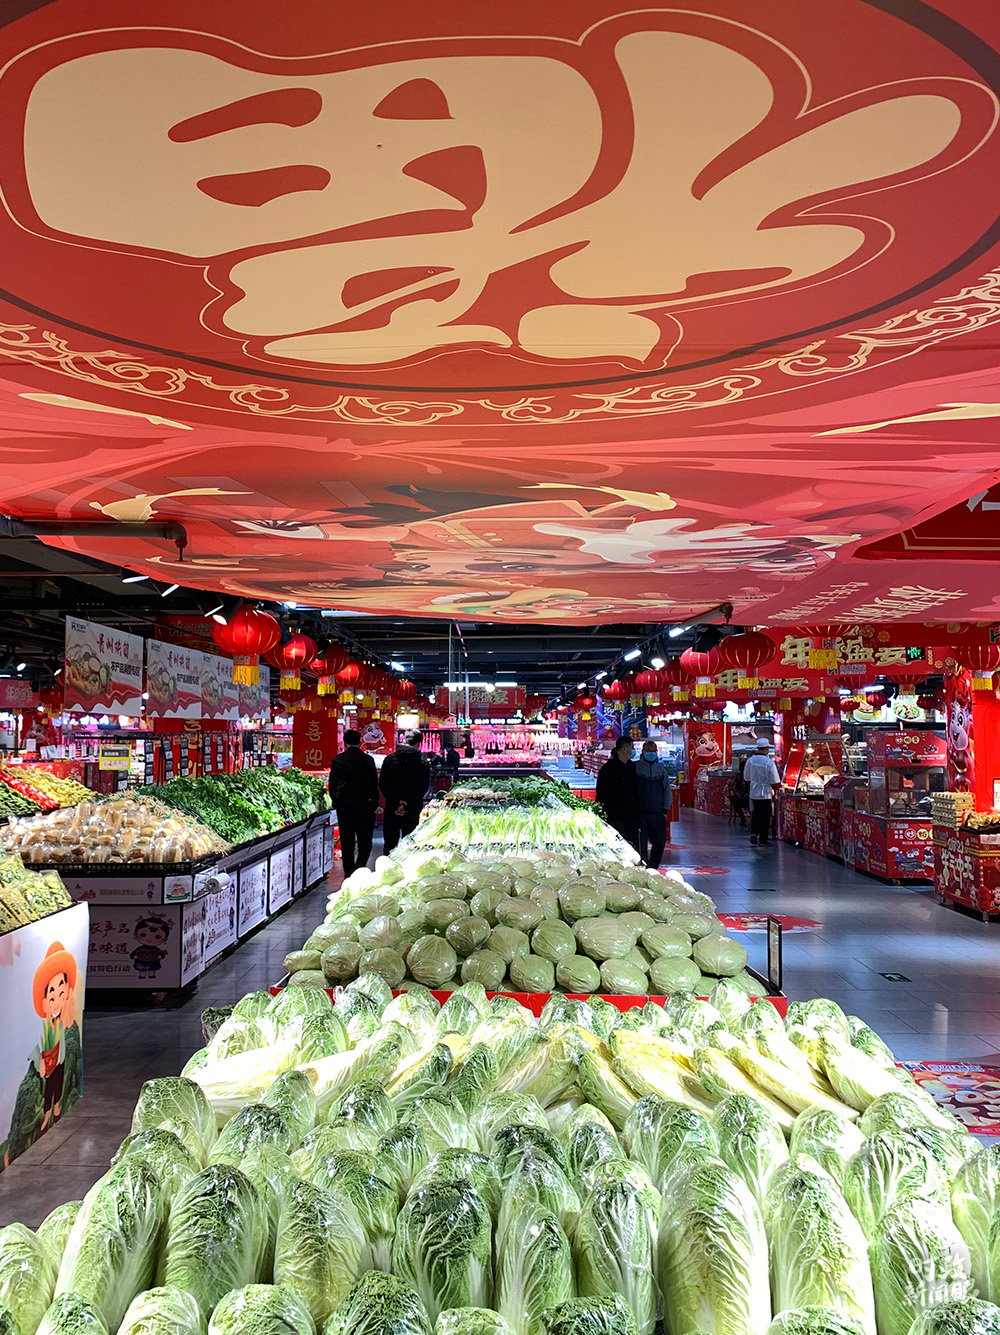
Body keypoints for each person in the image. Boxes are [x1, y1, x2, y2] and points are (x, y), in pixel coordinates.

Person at [328, 728, 379, 875]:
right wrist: (373, 805)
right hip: (364, 805)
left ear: (345, 743)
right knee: (365, 842)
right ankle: (359, 868)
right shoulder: (368, 760)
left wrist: (336, 802)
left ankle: (349, 873)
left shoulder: (337, 760)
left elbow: (332, 784)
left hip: (345, 806)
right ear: (360, 742)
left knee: (347, 842)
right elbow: (373, 785)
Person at [379, 729, 432, 854]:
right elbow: (422, 788)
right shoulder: (422, 762)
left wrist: (398, 802)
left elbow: (383, 784)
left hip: (393, 808)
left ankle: (388, 865)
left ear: (404, 741)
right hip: (413, 808)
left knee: (390, 844)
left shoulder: (390, 759)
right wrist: (406, 804)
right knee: (410, 845)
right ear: (418, 743)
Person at [595, 735, 640, 851]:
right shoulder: (608, 768)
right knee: (617, 844)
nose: (633, 750)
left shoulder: (631, 766)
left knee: (630, 844)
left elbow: (635, 788)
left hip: (631, 813)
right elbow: (601, 790)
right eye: (632, 747)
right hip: (614, 814)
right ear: (624, 749)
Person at [635, 740, 671, 869]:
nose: (651, 753)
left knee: (659, 843)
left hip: (658, 813)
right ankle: (643, 867)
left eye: (654, 751)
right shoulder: (635, 768)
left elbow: (667, 791)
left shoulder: (661, 770)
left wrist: (665, 810)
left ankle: (653, 868)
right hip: (640, 813)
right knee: (640, 844)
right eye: (649, 751)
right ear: (643, 752)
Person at [743, 737, 781, 846]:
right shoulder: (769, 762)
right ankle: (763, 840)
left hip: (754, 793)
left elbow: (746, 778)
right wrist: (775, 794)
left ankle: (754, 833)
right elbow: (775, 781)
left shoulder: (750, 761)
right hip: (765, 794)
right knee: (765, 816)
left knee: (756, 814)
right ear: (767, 749)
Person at [729, 757, 749, 827]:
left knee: (735, 802)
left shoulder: (738, 776)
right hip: (748, 798)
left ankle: (742, 818)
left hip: (739, 798)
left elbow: (734, 787)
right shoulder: (749, 776)